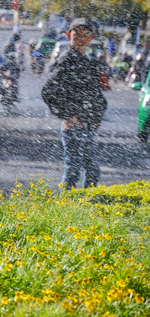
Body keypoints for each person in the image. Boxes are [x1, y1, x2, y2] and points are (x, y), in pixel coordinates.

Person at [42, 19, 108, 190]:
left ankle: (86, 206)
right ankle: (66, 209)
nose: (80, 38)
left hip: (84, 127)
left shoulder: (85, 60)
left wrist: (94, 119)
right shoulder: (68, 60)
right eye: (76, 34)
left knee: (92, 171)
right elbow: (48, 91)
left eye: (85, 35)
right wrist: (68, 114)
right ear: (68, 35)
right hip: (74, 127)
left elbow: (93, 93)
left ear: (91, 38)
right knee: (73, 171)